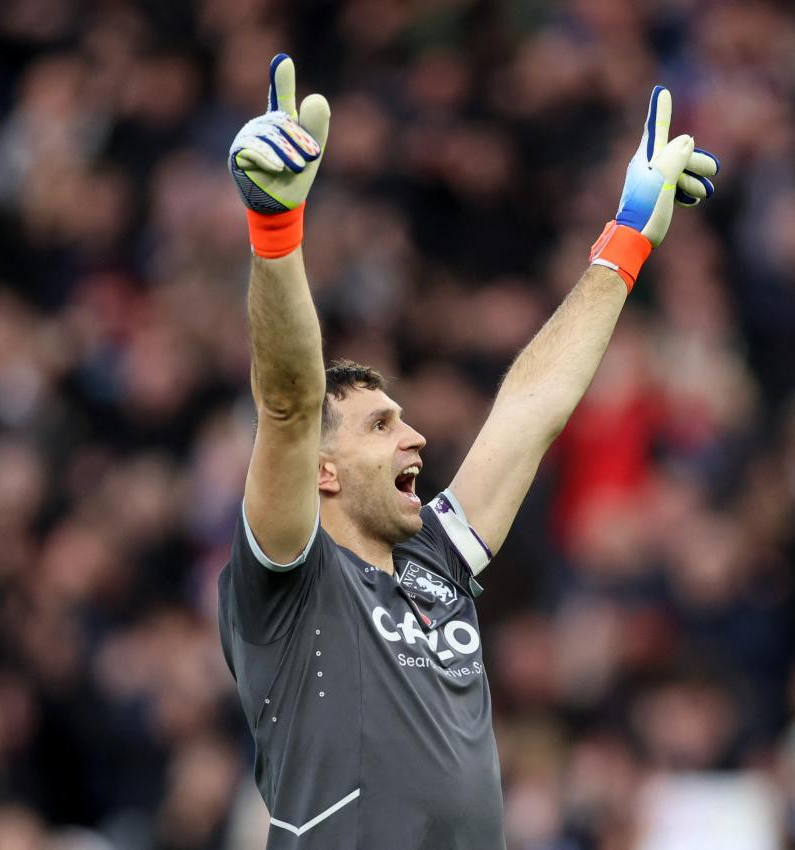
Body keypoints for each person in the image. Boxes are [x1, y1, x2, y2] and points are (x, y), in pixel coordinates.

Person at [217, 53, 719, 849]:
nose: (414, 435)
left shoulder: (436, 561)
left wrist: (623, 244)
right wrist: (276, 234)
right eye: (379, 426)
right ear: (323, 470)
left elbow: (529, 411)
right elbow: (286, 402)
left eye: (403, 418)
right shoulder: (288, 581)